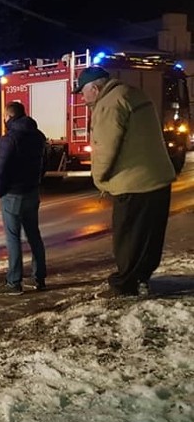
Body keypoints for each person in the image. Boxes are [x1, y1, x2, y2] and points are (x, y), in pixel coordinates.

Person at [74, 66, 177, 298]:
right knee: (150, 236)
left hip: (133, 183)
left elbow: (105, 148)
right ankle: (142, 278)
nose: (82, 97)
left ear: (96, 88)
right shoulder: (134, 93)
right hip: (159, 178)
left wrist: (99, 179)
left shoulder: (109, 103)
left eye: (83, 91)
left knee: (128, 238)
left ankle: (124, 285)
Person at [0, 101, 48, 295]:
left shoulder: (9, 139)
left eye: (5, 116)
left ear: (9, 116)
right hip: (32, 192)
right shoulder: (38, 136)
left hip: (12, 194)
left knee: (13, 238)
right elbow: (43, 163)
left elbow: (0, 169)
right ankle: (39, 278)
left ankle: (14, 282)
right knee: (34, 236)